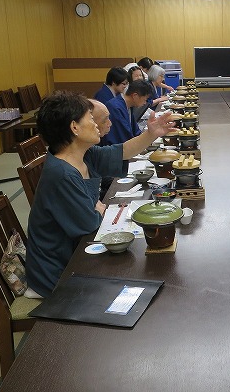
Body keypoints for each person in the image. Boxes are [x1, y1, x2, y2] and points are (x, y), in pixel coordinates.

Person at [25, 90, 177, 297]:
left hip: (77, 252)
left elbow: (122, 151)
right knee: (138, 282)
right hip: (59, 271)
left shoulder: (83, 154)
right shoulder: (62, 173)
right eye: (90, 119)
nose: (97, 124)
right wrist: (96, 209)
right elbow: (91, 224)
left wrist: (151, 133)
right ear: (74, 127)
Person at [102, 80, 152, 146]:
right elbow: (123, 137)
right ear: (135, 96)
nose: (145, 103)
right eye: (145, 99)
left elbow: (135, 131)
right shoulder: (115, 107)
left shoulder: (127, 105)